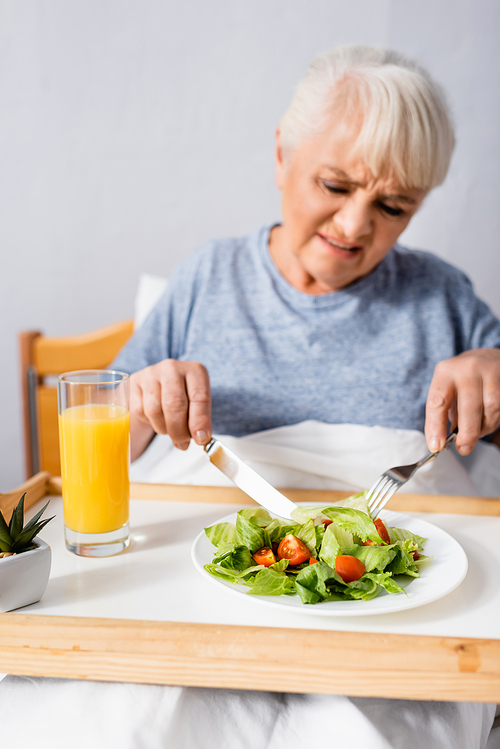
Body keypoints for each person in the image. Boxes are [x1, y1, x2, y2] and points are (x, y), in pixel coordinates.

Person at [4, 46, 499, 749]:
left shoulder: (444, 297)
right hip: (199, 592)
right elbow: (92, 449)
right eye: (335, 185)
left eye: (393, 206)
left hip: (392, 612)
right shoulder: (206, 277)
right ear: (280, 156)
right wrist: (141, 398)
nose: (356, 226)